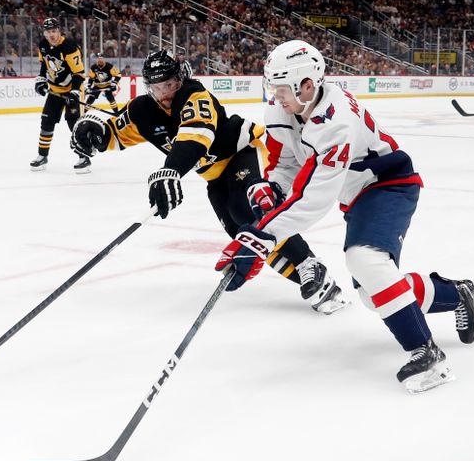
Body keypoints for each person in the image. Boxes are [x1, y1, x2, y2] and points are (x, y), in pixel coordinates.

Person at [213, 40, 474, 393]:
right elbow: (285, 164)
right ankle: (458, 293)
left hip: (388, 183)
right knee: (373, 295)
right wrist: (273, 190)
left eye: (281, 89)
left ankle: (427, 355)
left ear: (307, 85)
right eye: (273, 88)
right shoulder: (282, 111)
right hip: (358, 193)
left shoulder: (334, 120)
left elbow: (314, 199)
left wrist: (261, 236)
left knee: (365, 260)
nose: (275, 96)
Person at [70, 49, 348, 314]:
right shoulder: (142, 111)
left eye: (169, 84)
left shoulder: (194, 95)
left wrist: (171, 170)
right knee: (241, 235)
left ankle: (308, 262)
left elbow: (195, 137)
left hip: (242, 152)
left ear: (181, 78)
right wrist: (94, 134)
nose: (164, 93)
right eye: (157, 88)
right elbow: (116, 135)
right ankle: (315, 283)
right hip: (214, 176)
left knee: (247, 210)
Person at [30, 17, 89, 174]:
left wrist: (75, 92)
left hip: (72, 89)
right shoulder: (43, 45)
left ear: (59, 31)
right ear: (44, 33)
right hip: (55, 91)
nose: (52, 35)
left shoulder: (69, 47)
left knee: (74, 124)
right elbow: (45, 66)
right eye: (49, 32)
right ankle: (42, 156)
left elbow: (79, 73)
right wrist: (41, 81)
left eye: (54, 31)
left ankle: (84, 157)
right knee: (46, 122)